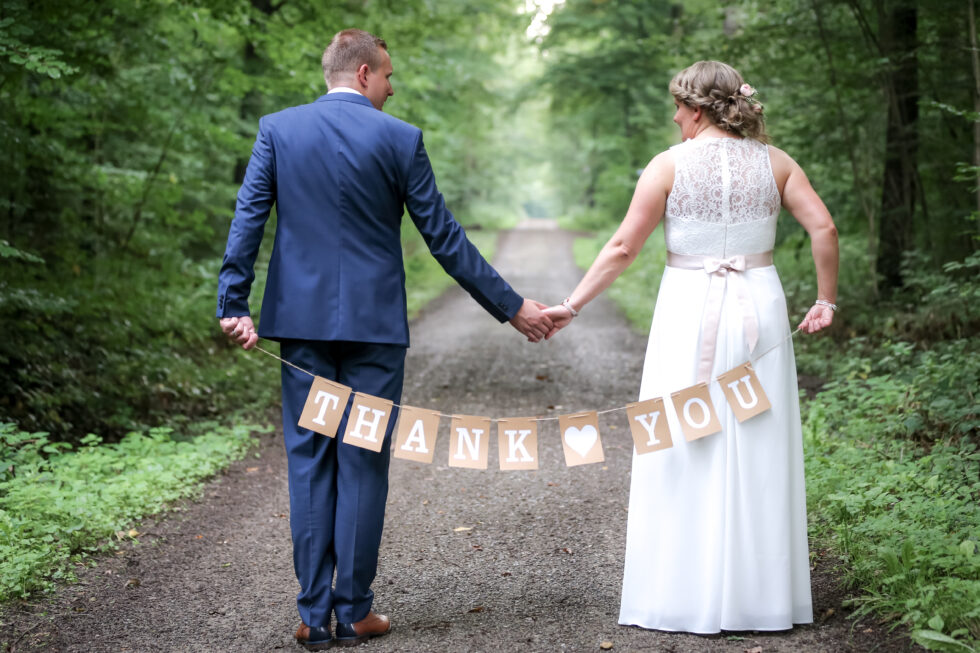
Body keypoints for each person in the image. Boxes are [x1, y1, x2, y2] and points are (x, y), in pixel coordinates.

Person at [216, 28, 553, 650]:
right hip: (373, 333)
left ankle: (314, 617)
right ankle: (356, 611)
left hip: (302, 329)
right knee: (363, 460)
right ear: (365, 72)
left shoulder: (278, 130)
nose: (392, 88)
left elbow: (249, 216)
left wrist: (232, 302)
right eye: (389, 76)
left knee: (311, 461)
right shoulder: (400, 139)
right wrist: (513, 308)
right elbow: (444, 237)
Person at [544, 61, 838, 633]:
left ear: (698, 109)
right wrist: (825, 300)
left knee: (680, 437)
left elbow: (625, 246)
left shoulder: (668, 165)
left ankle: (678, 595)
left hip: (688, 309)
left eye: (679, 107)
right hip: (760, 306)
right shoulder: (778, 163)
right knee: (758, 441)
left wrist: (572, 305)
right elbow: (823, 229)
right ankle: (761, 600)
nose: (676, 117)